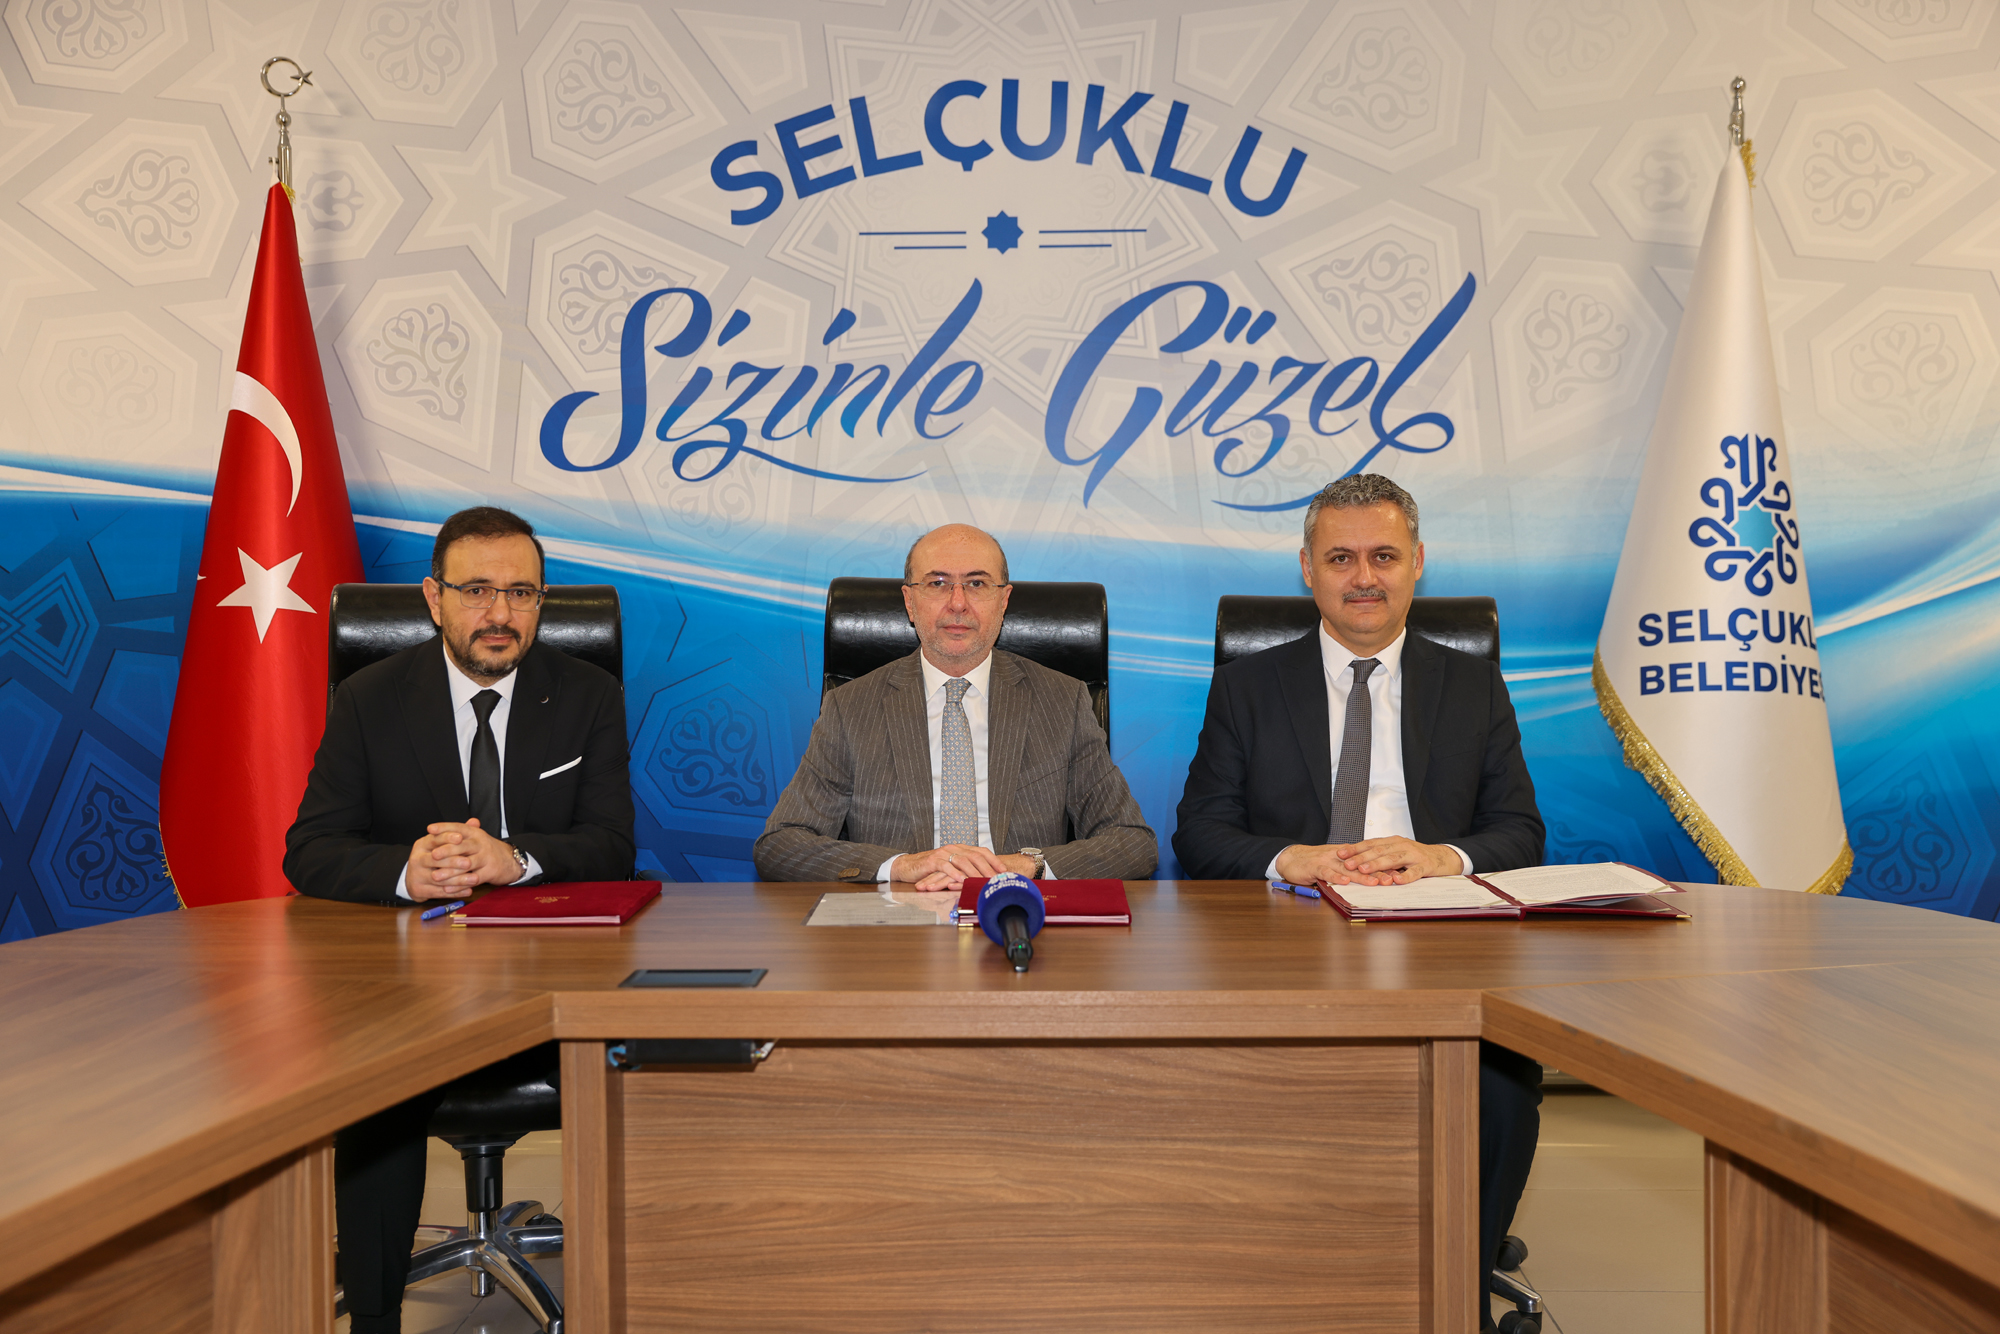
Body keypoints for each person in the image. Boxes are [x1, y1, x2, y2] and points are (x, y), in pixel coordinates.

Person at [1172, 473, 1544, 1327]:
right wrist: (1289, 859)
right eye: (1341, 558)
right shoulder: (1247, 687)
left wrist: (1440, 858)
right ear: (1308, 568)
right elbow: (1199, 832)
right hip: (1291, 943)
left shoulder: (1474, 686)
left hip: (1440, 939)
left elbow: (1520, 833)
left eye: (1384, 556)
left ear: (1418, 563)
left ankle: (1454, 1286)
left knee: (1498, 1088)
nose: (1364, 577)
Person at [285, 505, 633, 1334]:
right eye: (477, 590)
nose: (499, 613)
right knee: (376, 1080)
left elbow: (613, 845)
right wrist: (405, 872)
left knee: (647, 1063)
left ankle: (629, 1302)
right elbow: (310, 850)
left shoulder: (587, 694)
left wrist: (516, 859)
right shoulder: (370, 697)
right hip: (411, 979)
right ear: (433, 597)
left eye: (521, 593)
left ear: (542, 602)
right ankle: (374, 1318)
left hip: (550, 973)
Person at [755, 523, 1156, 887]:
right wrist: (900, 866)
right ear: (910, 602)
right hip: (897, 924)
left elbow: (1133, 843)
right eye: (938, 583)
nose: (958, 603)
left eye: (977, 583)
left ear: (1003, 600)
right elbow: (780, 845)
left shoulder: (1062, 702)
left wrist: (1026, 865)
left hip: (1016, 914)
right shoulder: (851, 707)